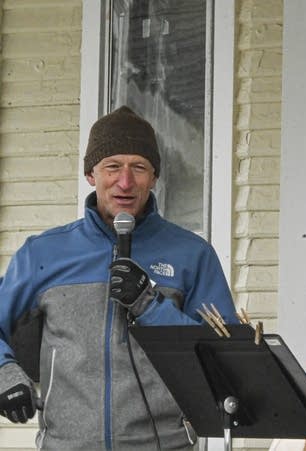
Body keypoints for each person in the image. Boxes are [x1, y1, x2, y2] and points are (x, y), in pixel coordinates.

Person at [0, 106, 238, 450]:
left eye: (138, 168)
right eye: (112, 166)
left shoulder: (192, 254)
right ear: (90, 174)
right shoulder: (43, 252)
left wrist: (150, 305)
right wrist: (7, 375)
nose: (125, 182)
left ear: (154, 177)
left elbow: (223, 356)